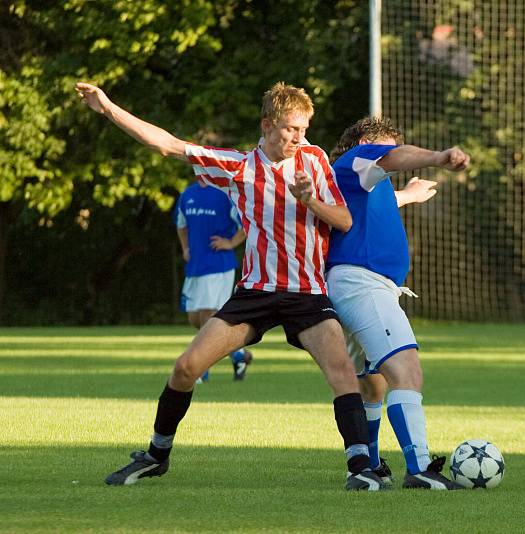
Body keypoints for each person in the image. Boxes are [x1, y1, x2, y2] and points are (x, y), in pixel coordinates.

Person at [75, 81, 384, 491]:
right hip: (255, 293)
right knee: (186, 367)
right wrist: (109, 108)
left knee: (342, 371)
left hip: (307, 293)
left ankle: (360, 468)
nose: (299, 137)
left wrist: (310, 200)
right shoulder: (238, 167)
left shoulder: (315, 159)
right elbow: (168, 145)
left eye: (304, 129)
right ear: (267, 124)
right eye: (291, 129)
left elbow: (343, 221)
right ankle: (155, 456)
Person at [325, 116, 470, 490]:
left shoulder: (358, 182)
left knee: (372, 383)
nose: (391, 155)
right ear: (365, 144)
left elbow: (378, 195)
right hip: (364, 285)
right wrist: (439, 157)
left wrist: (410, 195)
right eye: (386, 148)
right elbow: (389, 159)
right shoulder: (356, 160)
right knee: (406, 370)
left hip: (354, 284)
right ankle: (420, 467)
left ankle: (370, 466)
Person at [174, 180, 252, 382]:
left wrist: (231, 243)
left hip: (219, 264)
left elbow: (246, 224)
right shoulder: (187, 195)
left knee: (208, 313)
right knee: (195, 318)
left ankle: (201, 368)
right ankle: (238, 354)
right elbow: (181, 225)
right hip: (195, 266)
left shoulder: (224, 194)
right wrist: (185, 248)